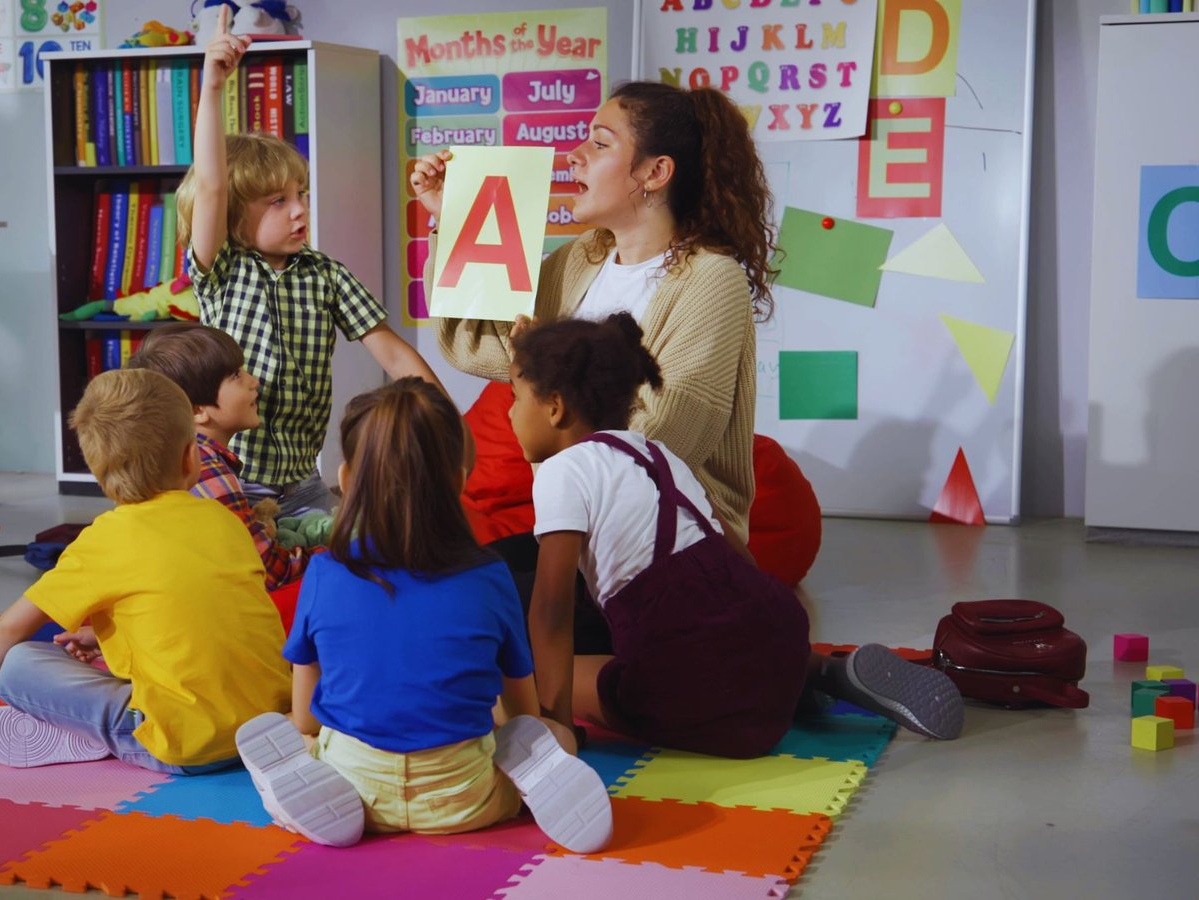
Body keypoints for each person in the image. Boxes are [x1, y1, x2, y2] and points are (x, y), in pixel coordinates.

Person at [509, 315, 964, 754]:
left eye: (516, 398)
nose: (511, 414)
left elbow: (551, 614)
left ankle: (767, 690)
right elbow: (734, 553)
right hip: (774, 631)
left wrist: (558, 725)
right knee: (732, 649)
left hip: (696, 685)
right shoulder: (656, 454)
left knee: (532, 676)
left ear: (554, 407)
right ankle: (816, 672)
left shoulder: (561, 472)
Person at [235, 378, 612, 854]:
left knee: (298, 730)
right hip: (466, 799)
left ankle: (303, 782)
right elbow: (524, 715)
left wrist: (309, 733)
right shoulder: (490, 576)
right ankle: (526, 791)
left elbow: (309, 713)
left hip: (355, 789)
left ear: (347, 479)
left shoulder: (326, 572)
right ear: (458, 481)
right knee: (552, 736)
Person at [415, 81, 773, 544]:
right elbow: (475, 345)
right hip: (580, 526)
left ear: (655, 172)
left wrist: (547, 374)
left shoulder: (711, 279)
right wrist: (452, 217)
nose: (574, 154)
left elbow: (661, 441)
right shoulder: (585, 257)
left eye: (600, 143)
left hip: (665, 537)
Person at [0, 368, 291, 773]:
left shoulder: (104, 539)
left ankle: (90, 733)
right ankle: (84, 729)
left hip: (187, 746)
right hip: (272, 721)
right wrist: (104, 635)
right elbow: (210, 610)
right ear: (191, 456)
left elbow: (3, 633)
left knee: (19, 663)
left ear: (97, 472)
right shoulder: (224, 518)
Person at [178, 7, 441, 515]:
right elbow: (210, 186)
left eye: (301, 194)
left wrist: (448, 423)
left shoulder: (328, 275)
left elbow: (396, 358)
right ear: (235, 215)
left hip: (303, 485)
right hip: (228, 480)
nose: (300, 210)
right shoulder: (222, 270)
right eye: (277, 201)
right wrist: (212, 88)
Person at [128, 322, 307, 590]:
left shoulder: (174, 457)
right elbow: (268, 571)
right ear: (197, 409)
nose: (254, 381)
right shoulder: (206, 469)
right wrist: (330, 556)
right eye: (236, 375)